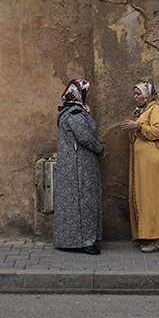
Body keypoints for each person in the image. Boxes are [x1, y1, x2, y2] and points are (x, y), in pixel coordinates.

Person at [120, 81, 159, 253]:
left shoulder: (157, 109)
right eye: (134, 94)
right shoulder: (143, 111)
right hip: (146, 164)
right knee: (147, 199)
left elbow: (158, 131)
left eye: (138, 94)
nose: (135, 97)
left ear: (147, 95)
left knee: (156, 199)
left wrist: (138, 126)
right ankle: (149, 235)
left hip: (157, 162)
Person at [54, 79, 105, 255]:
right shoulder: (75, 113)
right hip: (79, 167)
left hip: (75, 166)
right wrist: (100, 148)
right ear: (78, 93)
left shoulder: (70, 112)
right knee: (83, 202)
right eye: (86, 91)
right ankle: (86, 242)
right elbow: (84, 137)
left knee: (75, 203)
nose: (89, 94)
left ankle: (75, 239)